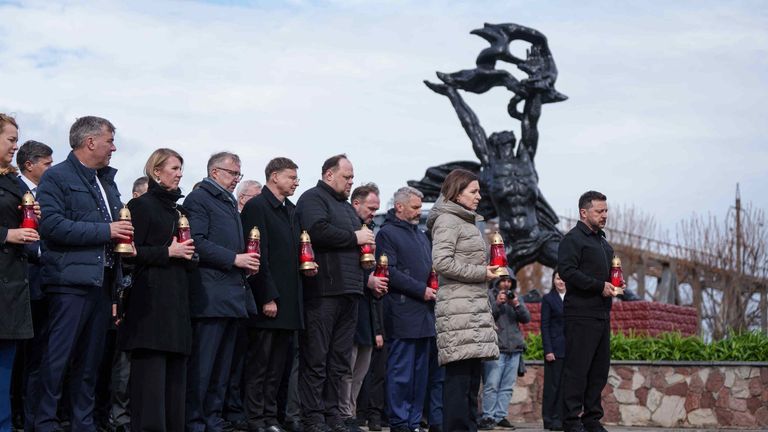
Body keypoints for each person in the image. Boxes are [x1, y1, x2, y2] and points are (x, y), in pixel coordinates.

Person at [35, 116, 133, 432]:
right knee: (57, 358)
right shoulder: (57, 178)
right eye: (110, 140)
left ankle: (83, 422)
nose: (114, 147)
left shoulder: (107, 181)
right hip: (68, 283)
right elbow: (52, 226)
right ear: (90, 142)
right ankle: (45, 421)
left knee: (91, 361)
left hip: (102, 282)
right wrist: (106, 230)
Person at [115, 149, 194, 431]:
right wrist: (167, 252)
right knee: (150, 384)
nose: (179, 173)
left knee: (175, 385)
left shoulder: (180, 211)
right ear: (156, 171)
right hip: (149, 305)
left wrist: (188, 255)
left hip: (177, 304)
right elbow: (129, 254)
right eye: (174, 168)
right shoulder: (142, 206)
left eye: (181, 168)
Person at [295, 154, 372, 432]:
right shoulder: (313, 199)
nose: (351, 182)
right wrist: (354, 237)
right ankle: (312, 417)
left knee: (339, 361)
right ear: (329, 174)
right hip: (324, 291)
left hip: (350, 290)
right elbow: (316, 230)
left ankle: (333, 415)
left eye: (352, 177)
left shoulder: (347, 208)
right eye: (347, 177)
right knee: (316, 358)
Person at [183, 151, 259, 432]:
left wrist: (245, 263)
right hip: (210, 295)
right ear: (214, 172)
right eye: (232, 173)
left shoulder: (227, 203)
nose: (235, 179)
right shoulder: (199, 199)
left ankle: (213, 419)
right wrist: (234, 259)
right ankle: (195, 421)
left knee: (222, 367)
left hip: (232, 294)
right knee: (203, 366)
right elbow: (197, 242)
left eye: (238, 174)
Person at [425, 168, 499, 432]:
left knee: (470, 383)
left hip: (471, 310)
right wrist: (482, 273)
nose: (479, 196)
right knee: (458, 383)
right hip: (457, 311)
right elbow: (442, 262)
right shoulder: (447, 221)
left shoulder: (465, 221)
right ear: (457, 193)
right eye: (474, 191)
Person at [240, 157, 307, 432]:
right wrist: (267, 295)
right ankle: (255, 418)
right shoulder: (257, 207)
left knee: (279, 365)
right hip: (268, 300)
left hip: (289, 302)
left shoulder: (290, 210)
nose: (296, 182)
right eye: (291, 177)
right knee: (260, 364)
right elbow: (258, 255)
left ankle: (271, 416)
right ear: (275, 176)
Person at [375, 186, 442, 432]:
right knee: (401, 373)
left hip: (425, 315)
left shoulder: (421, 235)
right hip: (403, 313)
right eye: (414, 207)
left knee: (420, 376)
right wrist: (421, 290)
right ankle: (399, 422)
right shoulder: (387, 234)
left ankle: (414, 422)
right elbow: (389, 272)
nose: (418, 212)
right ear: (399, 207)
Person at [557, 191, 621, 432]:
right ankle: (571, 421)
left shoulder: (604, 243)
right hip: (580, 315)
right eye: (599, 211)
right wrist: (599, 286)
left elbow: (608, 277)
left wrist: (615, 284)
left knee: (598, 371)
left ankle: (592, 419)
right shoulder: (572, 240)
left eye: (606, 211)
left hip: (602, 315)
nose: (604, 215)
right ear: (584, 212)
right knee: (577, 371)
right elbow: (567, 271)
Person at [11, 139, 52, 432]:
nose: (51, 169)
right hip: (18, 281)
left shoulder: (48, 196)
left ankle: (30, 415)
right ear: (29, 164)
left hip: (44, 285)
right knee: (16, 357)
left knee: (37, 356)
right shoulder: (13, 189)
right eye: (47, 164)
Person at [0, 114, 36, 432]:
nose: (16, 145)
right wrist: (6, 235)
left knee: (6, 368)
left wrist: (30, 217)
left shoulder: (14, 182)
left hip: (12, 287)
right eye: (11, 139)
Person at [341, 183, 385, 432]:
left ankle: (352, 413)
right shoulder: (348, 229)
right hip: (348, 307)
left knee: (361, 371)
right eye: (370, 208)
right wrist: (366, 279)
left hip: (367, 310)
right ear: (356, 203)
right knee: (346, 368)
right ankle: (344, 414)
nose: (373, 213)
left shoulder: (370, 231)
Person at [479, 275, 530, 430]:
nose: (506, 284)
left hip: (514, 349)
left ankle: (500, 416)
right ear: (496, 281)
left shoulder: (515, 297)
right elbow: (485, 317)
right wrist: (498, 303)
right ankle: (488, 416)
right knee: (492, 385)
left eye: (509, 281)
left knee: (507, 386)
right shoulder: (488, 295)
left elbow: (526, 318)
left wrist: (516, 304)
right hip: (496, 348)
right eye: (503, 280)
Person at [541, 272, 566, 431]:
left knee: (565, 386)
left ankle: (562, 419)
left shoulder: (573, 299)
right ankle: (550, 420)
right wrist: (548, 350)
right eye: (558, 278)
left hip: (570, 350)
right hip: (554, 350)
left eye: (563, 278)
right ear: (553, 280)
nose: (561, 281)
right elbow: (545, 326)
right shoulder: (548, 299)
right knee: (553, 387)